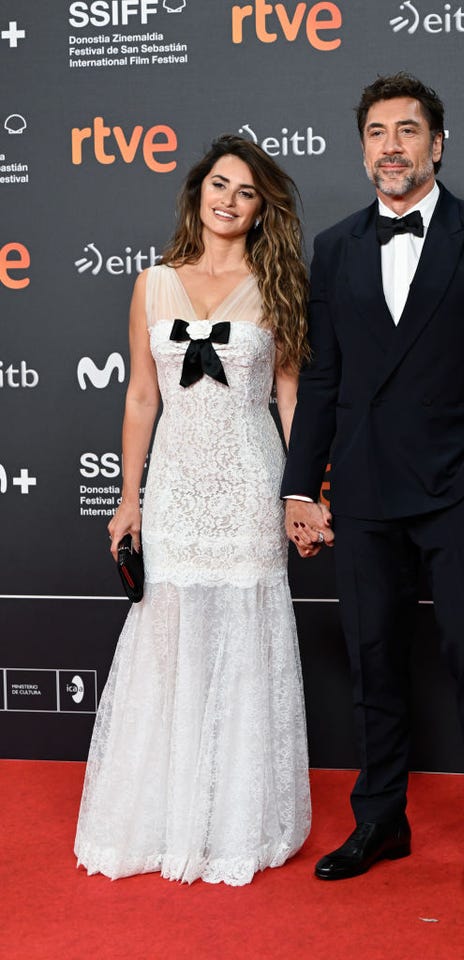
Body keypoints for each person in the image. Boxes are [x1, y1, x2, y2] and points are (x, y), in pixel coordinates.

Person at [281, 73, 464, 893]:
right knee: (372, 662)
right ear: (361, 147)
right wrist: (300, 488)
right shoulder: (334, 247)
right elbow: (322, 380)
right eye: (376, 132)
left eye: (407, 131)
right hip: (361, 493)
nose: (390, 146)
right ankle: (380, 821)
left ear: (438, 144)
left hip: (456, 487)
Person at [75, 135, 311, 886]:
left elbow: (290, 398)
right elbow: (142, 396)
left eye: (245, 191)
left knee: (246, 642)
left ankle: (233, 821)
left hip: (249, 483)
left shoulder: (278, 286)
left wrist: (301, 493)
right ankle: (162, 817)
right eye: (218, 184)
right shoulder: (153, 284)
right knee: (169, 642)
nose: (228, 200)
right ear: (196, 193)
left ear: (260, 207)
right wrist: (128, 499)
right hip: (175, 485)